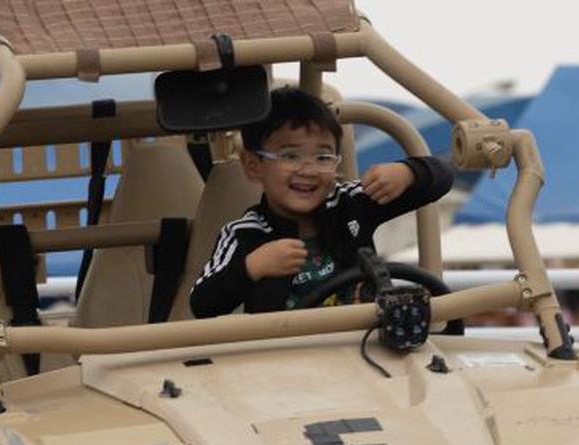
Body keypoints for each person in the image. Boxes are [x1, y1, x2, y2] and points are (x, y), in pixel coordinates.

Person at [190, 87, 454, 318]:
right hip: (284, 362)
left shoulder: (350, 203)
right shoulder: (245, 233)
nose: (308, 170)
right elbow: (202, 303)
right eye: (290, 155)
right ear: (253, 166)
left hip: (365, 347)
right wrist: (251, 268)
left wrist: (408, 173)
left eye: (323, 157)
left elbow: (441, 179)